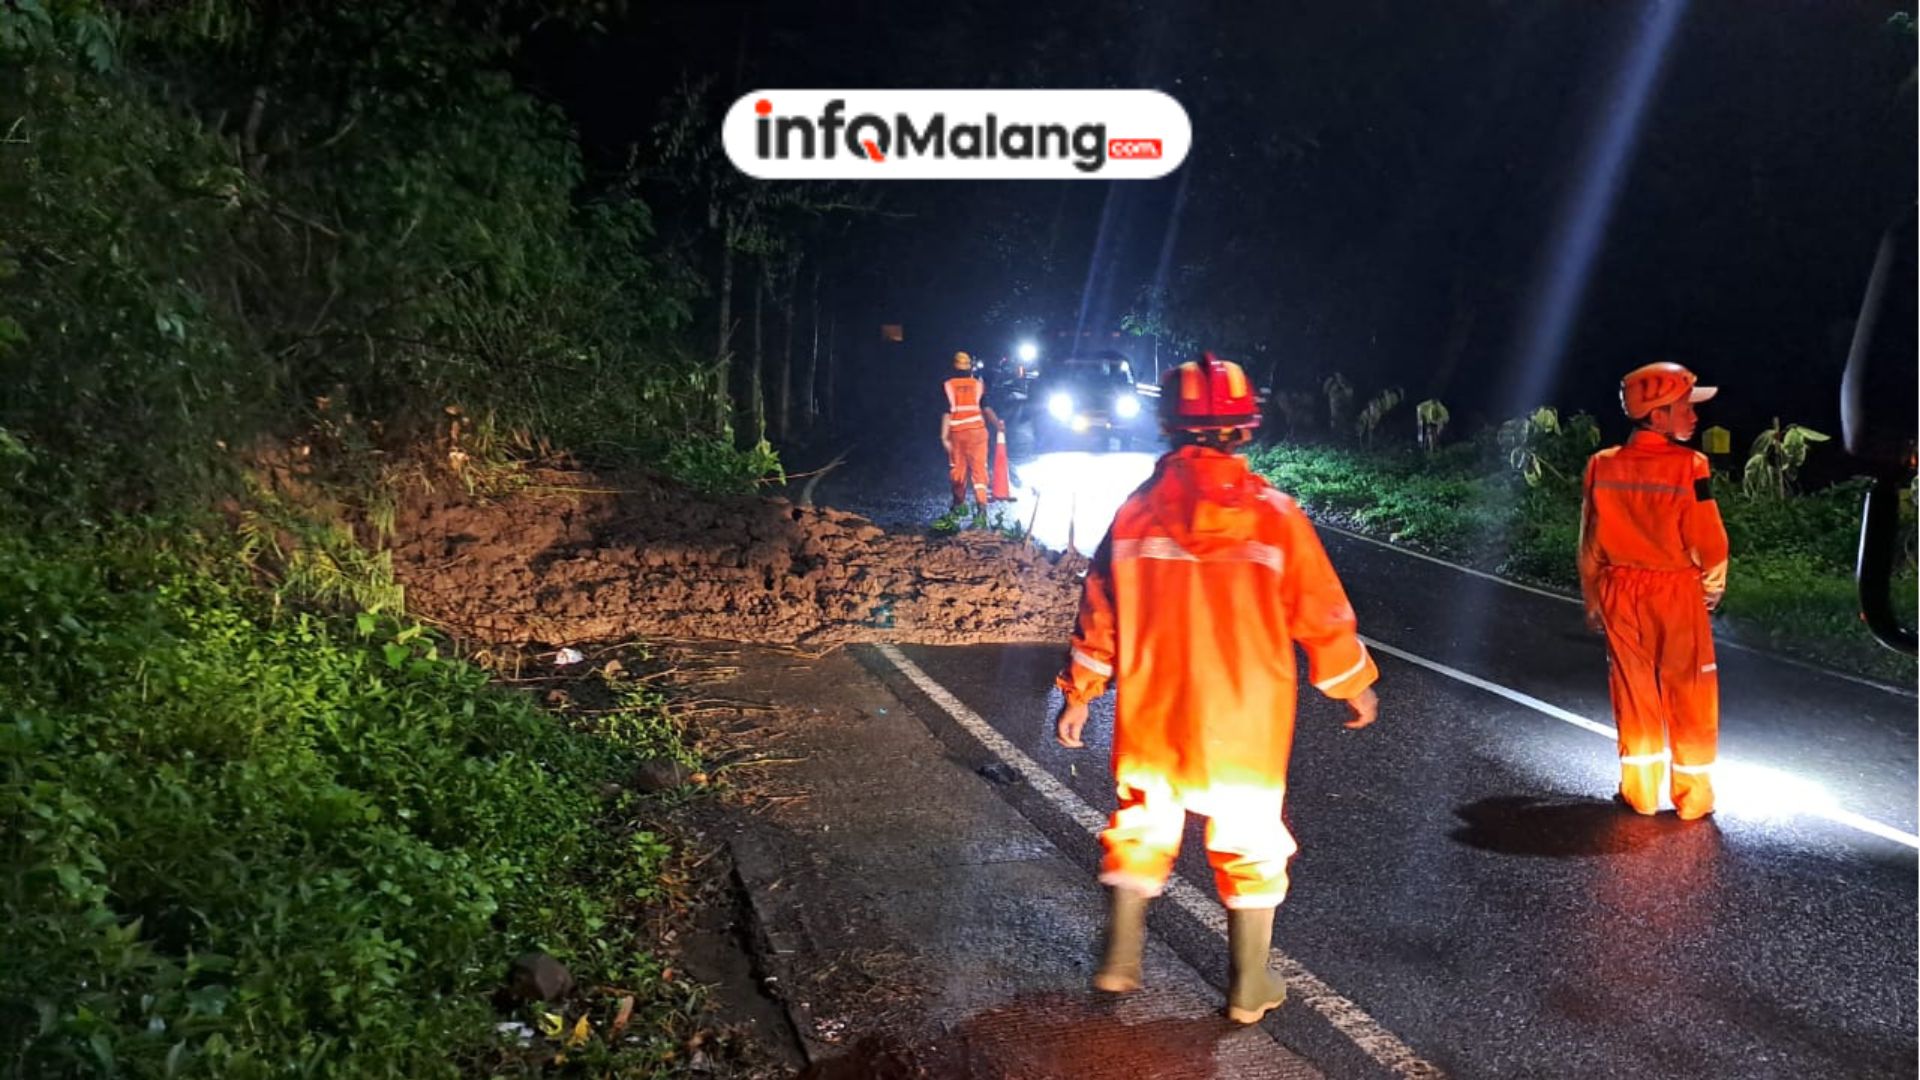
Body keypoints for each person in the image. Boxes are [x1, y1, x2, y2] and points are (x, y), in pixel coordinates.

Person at [1052, 351, 1380, 1024]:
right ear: (1244, 428)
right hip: (1246, 720)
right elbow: (1321, 611)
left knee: (1142, 823)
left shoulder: (1136, 514)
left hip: (1155, 709)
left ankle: (1119, 957)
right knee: (1251, 838)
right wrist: (1353, 684)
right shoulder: (1275, 516)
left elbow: (1099, 614)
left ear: (1168, 425)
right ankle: (1248, 984)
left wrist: (1080, 692)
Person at [1579, 362, 1729, 821]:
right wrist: (1713, 584)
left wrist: (1593, 598)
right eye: (1684, 408)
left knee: (1633, 691)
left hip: (1618, 590)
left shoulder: (1601, 465)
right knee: (1690, 691)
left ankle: (1641, 794)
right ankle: (1693, 798)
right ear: (1657, 415)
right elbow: (1708, 536)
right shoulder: (1690, 466)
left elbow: (1588, 539)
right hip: (1675, 590)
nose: (1694, 416)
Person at [940, 351, 1004, 515]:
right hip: (977, 433)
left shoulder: (948, 386)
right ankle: (981, 508)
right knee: (979, 470)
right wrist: (998, 424)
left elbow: (947, 411)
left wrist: (943, 436)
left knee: (958, 471)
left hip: (957, 434)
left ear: (954, 367)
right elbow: (986, 408)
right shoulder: (978, 385)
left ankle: (957, 506)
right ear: (970, 367)